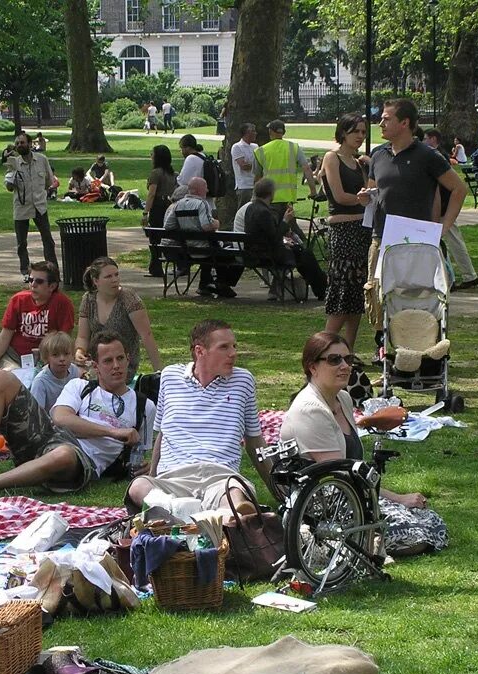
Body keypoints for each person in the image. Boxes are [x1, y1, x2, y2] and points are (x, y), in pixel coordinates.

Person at [0, 331, 154, 493]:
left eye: (120, 358)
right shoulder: (79, 386)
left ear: (129, 359)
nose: (116, 366)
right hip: (48, 438)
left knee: (64, 454)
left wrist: (146, 468)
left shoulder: (144, 406)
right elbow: (60, 419)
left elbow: (141, 454)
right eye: (108, 361)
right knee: (1, 379)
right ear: (96, 366)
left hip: (82, 462)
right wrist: (113, 432)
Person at [125, 320, 275, 515]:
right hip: (174, 479)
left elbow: (254, 439)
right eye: (224, 347)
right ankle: (207, 519)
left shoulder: (243, 381)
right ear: (200, 351)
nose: (233, 353)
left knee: (235, 497)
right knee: (138, 487)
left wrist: (275, 487)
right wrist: (153, 477)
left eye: (234, 346)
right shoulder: (170, 377)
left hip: (221, 478)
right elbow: (163, 434)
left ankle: (183, 516)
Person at [281, 332, 430, 509]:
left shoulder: (343, 399)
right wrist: (398, 498)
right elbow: (339, 474)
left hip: (347, 494)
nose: (345, 366)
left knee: (428, 520)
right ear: (313, 367)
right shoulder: (310, 410)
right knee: (422, 527)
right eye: (334, 360)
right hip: (321, 507)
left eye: (348, 359)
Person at [358, 99, 467, 330]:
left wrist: (443, 226)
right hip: (381, 238)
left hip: (416, 240)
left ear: (405, 123)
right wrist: (365, 197)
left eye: (386, 119)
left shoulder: (427, 155)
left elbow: (458, 189)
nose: (380, 123)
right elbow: (373, 190)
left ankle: (423, 345)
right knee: (379, 295)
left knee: (416, 296)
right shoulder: (378, 155)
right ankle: (384, 348)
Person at [321, 114, 371, 347]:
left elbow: (371, 192)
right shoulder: (332, 158)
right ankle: (325, 348)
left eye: (363, 132)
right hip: (343, 230)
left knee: (357, 295)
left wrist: (372, 167)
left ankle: (347, 351)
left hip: (362, 229)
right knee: (342, 291)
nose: (360, 136)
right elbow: (340, 196)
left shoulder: (360, 163)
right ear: (343, 133)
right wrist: (363, 199)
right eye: (355, 132)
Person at [0, 260, 74, 373]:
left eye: (39, 281)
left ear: (52, 286)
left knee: (21, 380)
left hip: (46, 359)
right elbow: (5, 336)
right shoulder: (18, 300)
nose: (33, 284)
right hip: (14, 355)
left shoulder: (62, 303)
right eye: (30, 279)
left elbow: (64, 340)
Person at [75, 257, 162, 380]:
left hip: (121, 365)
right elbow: (82, 336)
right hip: (95, 362)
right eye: (108, 277)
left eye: (116, 275)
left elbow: (146, 335)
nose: (115, 280)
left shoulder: (128, 298)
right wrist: (79, 351)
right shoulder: (88, 300)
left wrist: (159, 371)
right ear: (96, 280)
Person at [244, 178, 327, 300]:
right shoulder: (264, 212)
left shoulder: (251, 208)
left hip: (256, 251)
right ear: (270, 193)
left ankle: (321, 287)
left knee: (303, 254)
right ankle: (322, 289)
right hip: (268, 254)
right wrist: (285, 221)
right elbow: (274, 237)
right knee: (305, 255)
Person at [162, 176, 242, 298]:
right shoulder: (201, 204)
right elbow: (206, 226)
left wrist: (185, 230)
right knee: (229, 251)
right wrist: (216, 223)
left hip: (187, 250)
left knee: (210, 249)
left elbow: (168, 226)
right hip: (206, 250)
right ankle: (220, 284)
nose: (207, 190)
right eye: (205, 187)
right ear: (198, 190)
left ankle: (206, 284)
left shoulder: (178, 204)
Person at [424, 129, 478, 290]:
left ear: (433, 139)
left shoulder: (435, 156)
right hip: (444, 206)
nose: (423, 141)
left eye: (426, 138)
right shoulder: (439, 154)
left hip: (443, 206)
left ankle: (455, 277)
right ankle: (467, 275)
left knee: (449, 241)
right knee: (452, 240)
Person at [5, 131, 58, 280]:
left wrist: (40, 193)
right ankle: (25, 271)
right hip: (21, 207)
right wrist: (13, 178)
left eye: (22, 143)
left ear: (29, 144)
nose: (19, 146)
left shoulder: (41, 160)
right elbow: (9, 187)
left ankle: (52, 270)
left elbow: (49, 181)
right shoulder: (14, 163)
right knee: (21, 242)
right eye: (17, 143)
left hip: (39, 206)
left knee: (47, 239)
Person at [254, 120, 318, 225]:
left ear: (271, 132)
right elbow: (306, 169)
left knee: (273, 229)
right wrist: (313, 190)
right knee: (290, 228)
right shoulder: (294, 148)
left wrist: (257, 197)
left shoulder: (261, 151)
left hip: (269, 198)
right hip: (288, 199)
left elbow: (257, 177)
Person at [143, 145, 178, 276]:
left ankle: (156, 266)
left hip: (158, 206)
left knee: (155, 236)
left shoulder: (156, 173)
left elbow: (151, 194)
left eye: (152, 154)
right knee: (166, 235)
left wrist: (145, 212)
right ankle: (164, 265)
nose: (151, 157)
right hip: (169, 205)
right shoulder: (172, 174)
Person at [29, 331, 81, 411]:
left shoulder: (74, 371)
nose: (62, 359)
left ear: (72, 355)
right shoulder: (40, 382)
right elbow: (36, 413)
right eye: (55, 355)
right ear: (46, 358)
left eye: (66, 354)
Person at [230, 123, 258, 206]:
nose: (255, 133)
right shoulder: (237, 147)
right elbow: (244, 166)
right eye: (253, 131)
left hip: (255, 185)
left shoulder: (255, 146)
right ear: (246, 133)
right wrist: (257, 165)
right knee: (244, 210)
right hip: (244, 186)